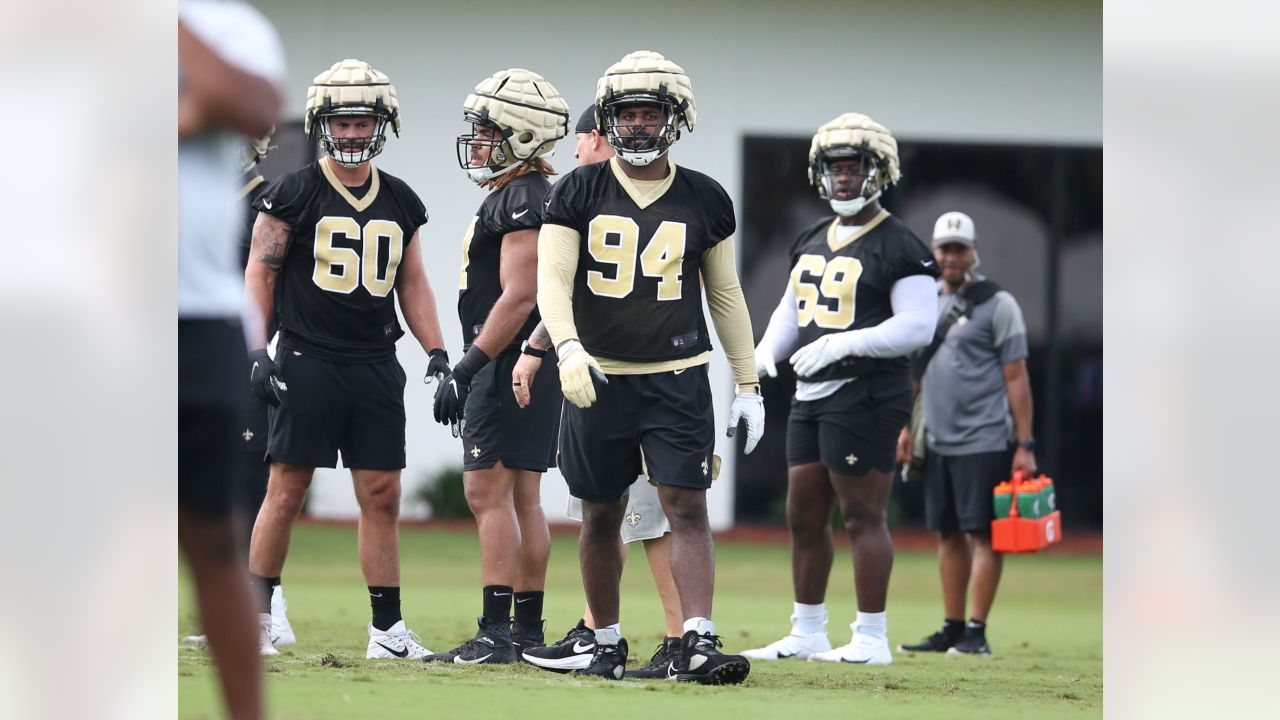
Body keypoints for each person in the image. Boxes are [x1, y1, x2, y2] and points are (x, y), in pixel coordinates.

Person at [532, 50, 763, 685]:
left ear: (674, 118)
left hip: (676, 374)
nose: (637, 125)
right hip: (598, 374)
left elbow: (725, 295)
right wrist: (569, 347)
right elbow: (551, 283)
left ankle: (695, 639)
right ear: (609, 119)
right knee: (600, 511)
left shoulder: (705, 196)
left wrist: (748, 382)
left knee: (685, 504)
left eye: (649, 112)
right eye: (627, 114)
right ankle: (602, 640)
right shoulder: (577, 188)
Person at [244, 58, 450, 661]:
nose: (354, 134)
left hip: (374, 363)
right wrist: (257, 348)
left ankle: (387, 633)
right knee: (286, 487)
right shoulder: (293, 191)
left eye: (364, 122)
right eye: (343, 122)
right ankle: (258, 616)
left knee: (382, 493)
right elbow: (261, 273)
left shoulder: (402, 200)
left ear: (383, 124)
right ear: (322, 124)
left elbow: (413, 284)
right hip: (308, 357)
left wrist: (436, 352)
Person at [744, 113, 938, 665]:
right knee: (802, 514)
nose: (844, 179)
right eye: (835, 168)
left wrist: (845, 344)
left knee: (861, 516)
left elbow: (919, 323)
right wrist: (765, 351)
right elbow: (791, 308)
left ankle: (871, 637)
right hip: (812, 392)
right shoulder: (809, 236)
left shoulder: (900, 244)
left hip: (868, 391)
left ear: (880, 172)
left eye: (854, 167)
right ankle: (807, 629)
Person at [516, 107, 690, 679]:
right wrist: (542, 346)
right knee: (608, 512)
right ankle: (597, 628)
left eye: (580, 140)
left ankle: (677, 635)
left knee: (647, 516)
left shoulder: (629, 200)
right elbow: (577, 293)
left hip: (639, 380)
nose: (574, 153)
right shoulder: (589, 198)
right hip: (593, 371)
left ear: (600, 136)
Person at [425, 68, 569, 664]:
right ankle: (525, 631)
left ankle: (496, 632)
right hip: (529, 359)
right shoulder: (528, 194)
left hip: (510, 360)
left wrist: (467, 366)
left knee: (489, 493)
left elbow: (520, 295)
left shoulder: (520, 198)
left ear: (523, 134)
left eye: (488, 130)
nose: (478, 141)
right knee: (523, 496)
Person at [178, 1, 283, 717]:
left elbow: (247, 102)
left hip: (195, 313)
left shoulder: (228, 25)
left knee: (214, 538)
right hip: (69, 308)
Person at [897, 211, 1037, 657]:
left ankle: (977, 630)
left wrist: (1024, 445)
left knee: (983, 535)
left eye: (960, 249)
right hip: (936, 437)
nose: (952, 257)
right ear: (934, 253)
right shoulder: (924, 302)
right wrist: (905, 427)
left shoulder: (999, 304)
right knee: (948, 534)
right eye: (944, 249)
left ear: (974, 251)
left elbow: (1017, 378)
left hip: (986, 439)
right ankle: (952, 627)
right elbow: (914, 375)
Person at [182, 130, 297, 651]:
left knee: (251, 484)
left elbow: (274, 286)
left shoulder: (266, 203)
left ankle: (266, 608)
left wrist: (265, 353)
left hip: (248, 359)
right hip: (202, 357)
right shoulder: (197, 199)